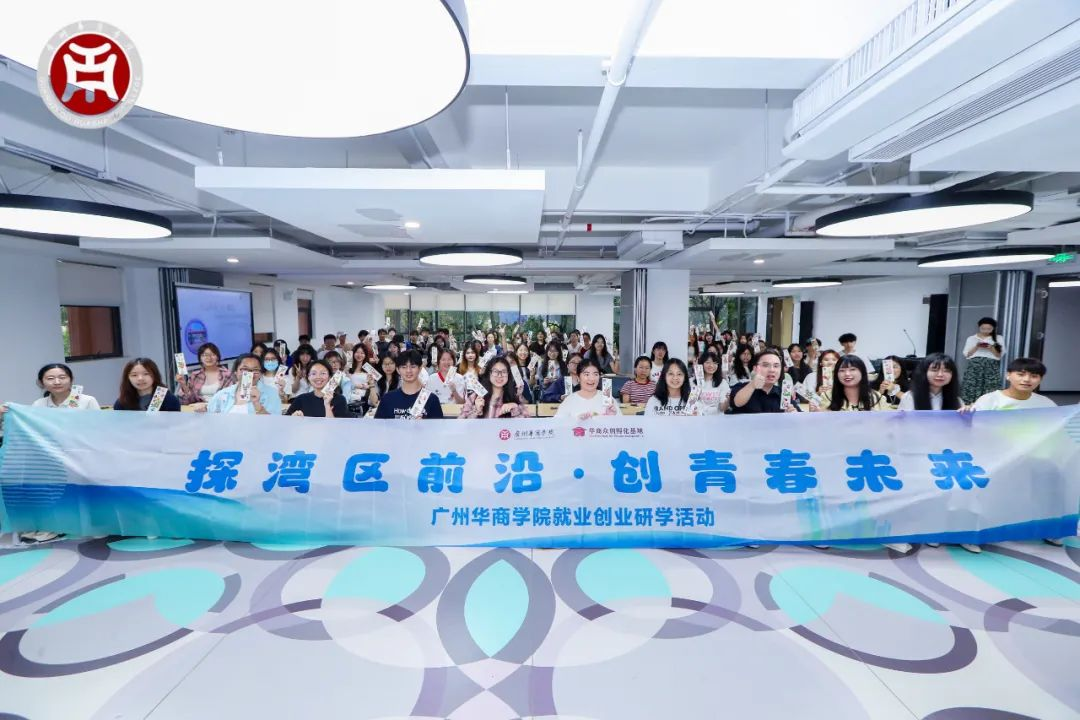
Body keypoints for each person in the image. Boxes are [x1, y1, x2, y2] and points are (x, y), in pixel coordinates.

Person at [970, 357, 1062, 549]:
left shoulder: (1045, 403)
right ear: (1008, 375)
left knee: (1053, 477)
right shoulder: (990, 400)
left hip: (1032, 458)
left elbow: (1056, 430)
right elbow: (975, 430)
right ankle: (975, 532)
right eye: (1021, 374)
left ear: (1040, 379)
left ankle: (1051, 528)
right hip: (995, 459)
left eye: (1034, 376)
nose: (1026, 379)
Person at [374, 350, 444, 419]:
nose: (408, 371)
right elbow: (378, 425)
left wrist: (424, 424)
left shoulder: (432, 399)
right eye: (404, 367)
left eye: (413, 366)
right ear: (398, 370)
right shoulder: (387, 399)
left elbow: (438, 426)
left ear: (420, 368)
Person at [206, 354, 282, 415]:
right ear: (235, 372)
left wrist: (257, 404)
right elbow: (210, 414)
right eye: (244, 369)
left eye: (255, 370)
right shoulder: (224, 393)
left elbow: (274, 424)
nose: (250, 373)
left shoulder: (271, 393)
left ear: (260, 374)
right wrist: (203, 410)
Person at [459, 357, 532, 419]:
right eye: (495, 371)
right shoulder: (476, 396)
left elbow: (526, 422)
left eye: (504, 372)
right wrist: (476, 410)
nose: (499, 375)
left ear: (508, 374)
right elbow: (461, 421)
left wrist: (515, 407)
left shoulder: (513, 396)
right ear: (489, 373)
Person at [729, 350, 794, 414]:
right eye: (765, 365)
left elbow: (795, 412)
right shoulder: (740, 387)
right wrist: (752, 385)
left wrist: (793, 413)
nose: (772, 370)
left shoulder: (784, 394)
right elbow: (737, 402)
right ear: (755, 369)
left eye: (776, 366)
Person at [818, 356, 890, 412]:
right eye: (842, 370)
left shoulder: (877, 397)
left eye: (852, 369)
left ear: (862, 372)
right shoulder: (827, 397)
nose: (847, 374)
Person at [961, 317, 1005, 404]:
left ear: (993, 328)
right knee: (971, 386)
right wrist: (976, 347)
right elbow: (967, 354)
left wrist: (991, 348)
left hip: (991, 366)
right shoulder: (971, 338)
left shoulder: (998, 338)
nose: (985, 331)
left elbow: (999, 355)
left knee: (991, 387)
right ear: (979, 327)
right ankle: (969, 406)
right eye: (983, 328)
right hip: (974, 366)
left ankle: (989, 407)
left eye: (989, 329)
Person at [176, 342, 233, 409]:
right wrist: (183, 385)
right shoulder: (195, 375)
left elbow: (229, 400)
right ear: (200, 358)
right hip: (198, 412)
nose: (208, 358)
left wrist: (206, 406)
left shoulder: (227, 375)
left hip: (219, 411)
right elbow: (186, 402)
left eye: (212, 354)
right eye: (204, 355)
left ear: (217, 357)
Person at [286, 360, 352, 418]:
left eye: (323, 373)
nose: (318, 377)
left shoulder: (340, 400)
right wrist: (293, 418)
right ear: (308, 377)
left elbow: (338, 427)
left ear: (329, 377)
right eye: (313, 373)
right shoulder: (301, 399)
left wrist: (327, 405)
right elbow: (286, 421)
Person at [25, 363, 101, 410]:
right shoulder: (38, 404)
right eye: (50, 378)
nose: (57, 382)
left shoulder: (88, 401)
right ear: (41, 382)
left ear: (71, 379)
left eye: (62, 377)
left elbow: (99, 425)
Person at [114, 358, 181, 411]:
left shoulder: (167, 398)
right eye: (134, 375)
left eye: (146, 374)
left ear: (155, 375)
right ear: (128, 378)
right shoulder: (121, 402)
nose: (140, 378)